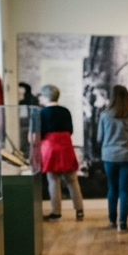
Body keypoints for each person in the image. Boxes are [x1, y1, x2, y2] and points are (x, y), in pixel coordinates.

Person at [94, 84, 128, 232]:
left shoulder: (104, 115)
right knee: (125, 190)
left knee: (112, 188)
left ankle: (111, 221)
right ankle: (122, 223)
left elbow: (99, 137)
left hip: (109, 156)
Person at [33, 85, 83, 221]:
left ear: (45, 97)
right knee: (72, 179)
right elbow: (70, 129)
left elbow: (40, 133)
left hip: (50, 146)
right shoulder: (65, 111)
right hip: (66, 145)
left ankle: (56, 212)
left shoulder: (42, 112)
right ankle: (79, 210)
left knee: (53, 180)